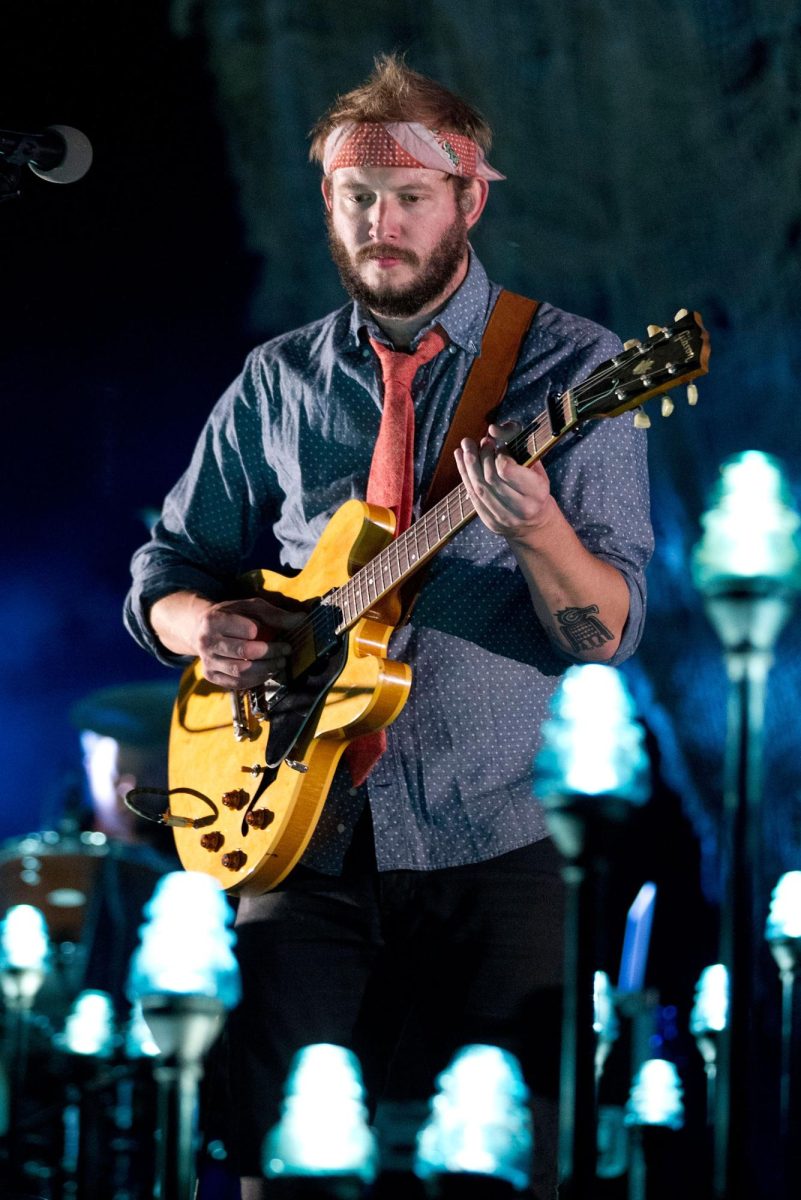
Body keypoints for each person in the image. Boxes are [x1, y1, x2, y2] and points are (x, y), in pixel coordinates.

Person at [124, 54, 653, 1199]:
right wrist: (203, 624)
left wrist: (540, 531)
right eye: (357, 197)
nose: (382, 221)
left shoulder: (578, 368)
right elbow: (165, 566)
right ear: (328, 204)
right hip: (298, 836)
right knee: (283, 1165)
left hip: (499, 838)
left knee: (506, 1167)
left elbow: (603, 634)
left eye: (411, 195)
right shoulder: (278, 382)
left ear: (470, 198)